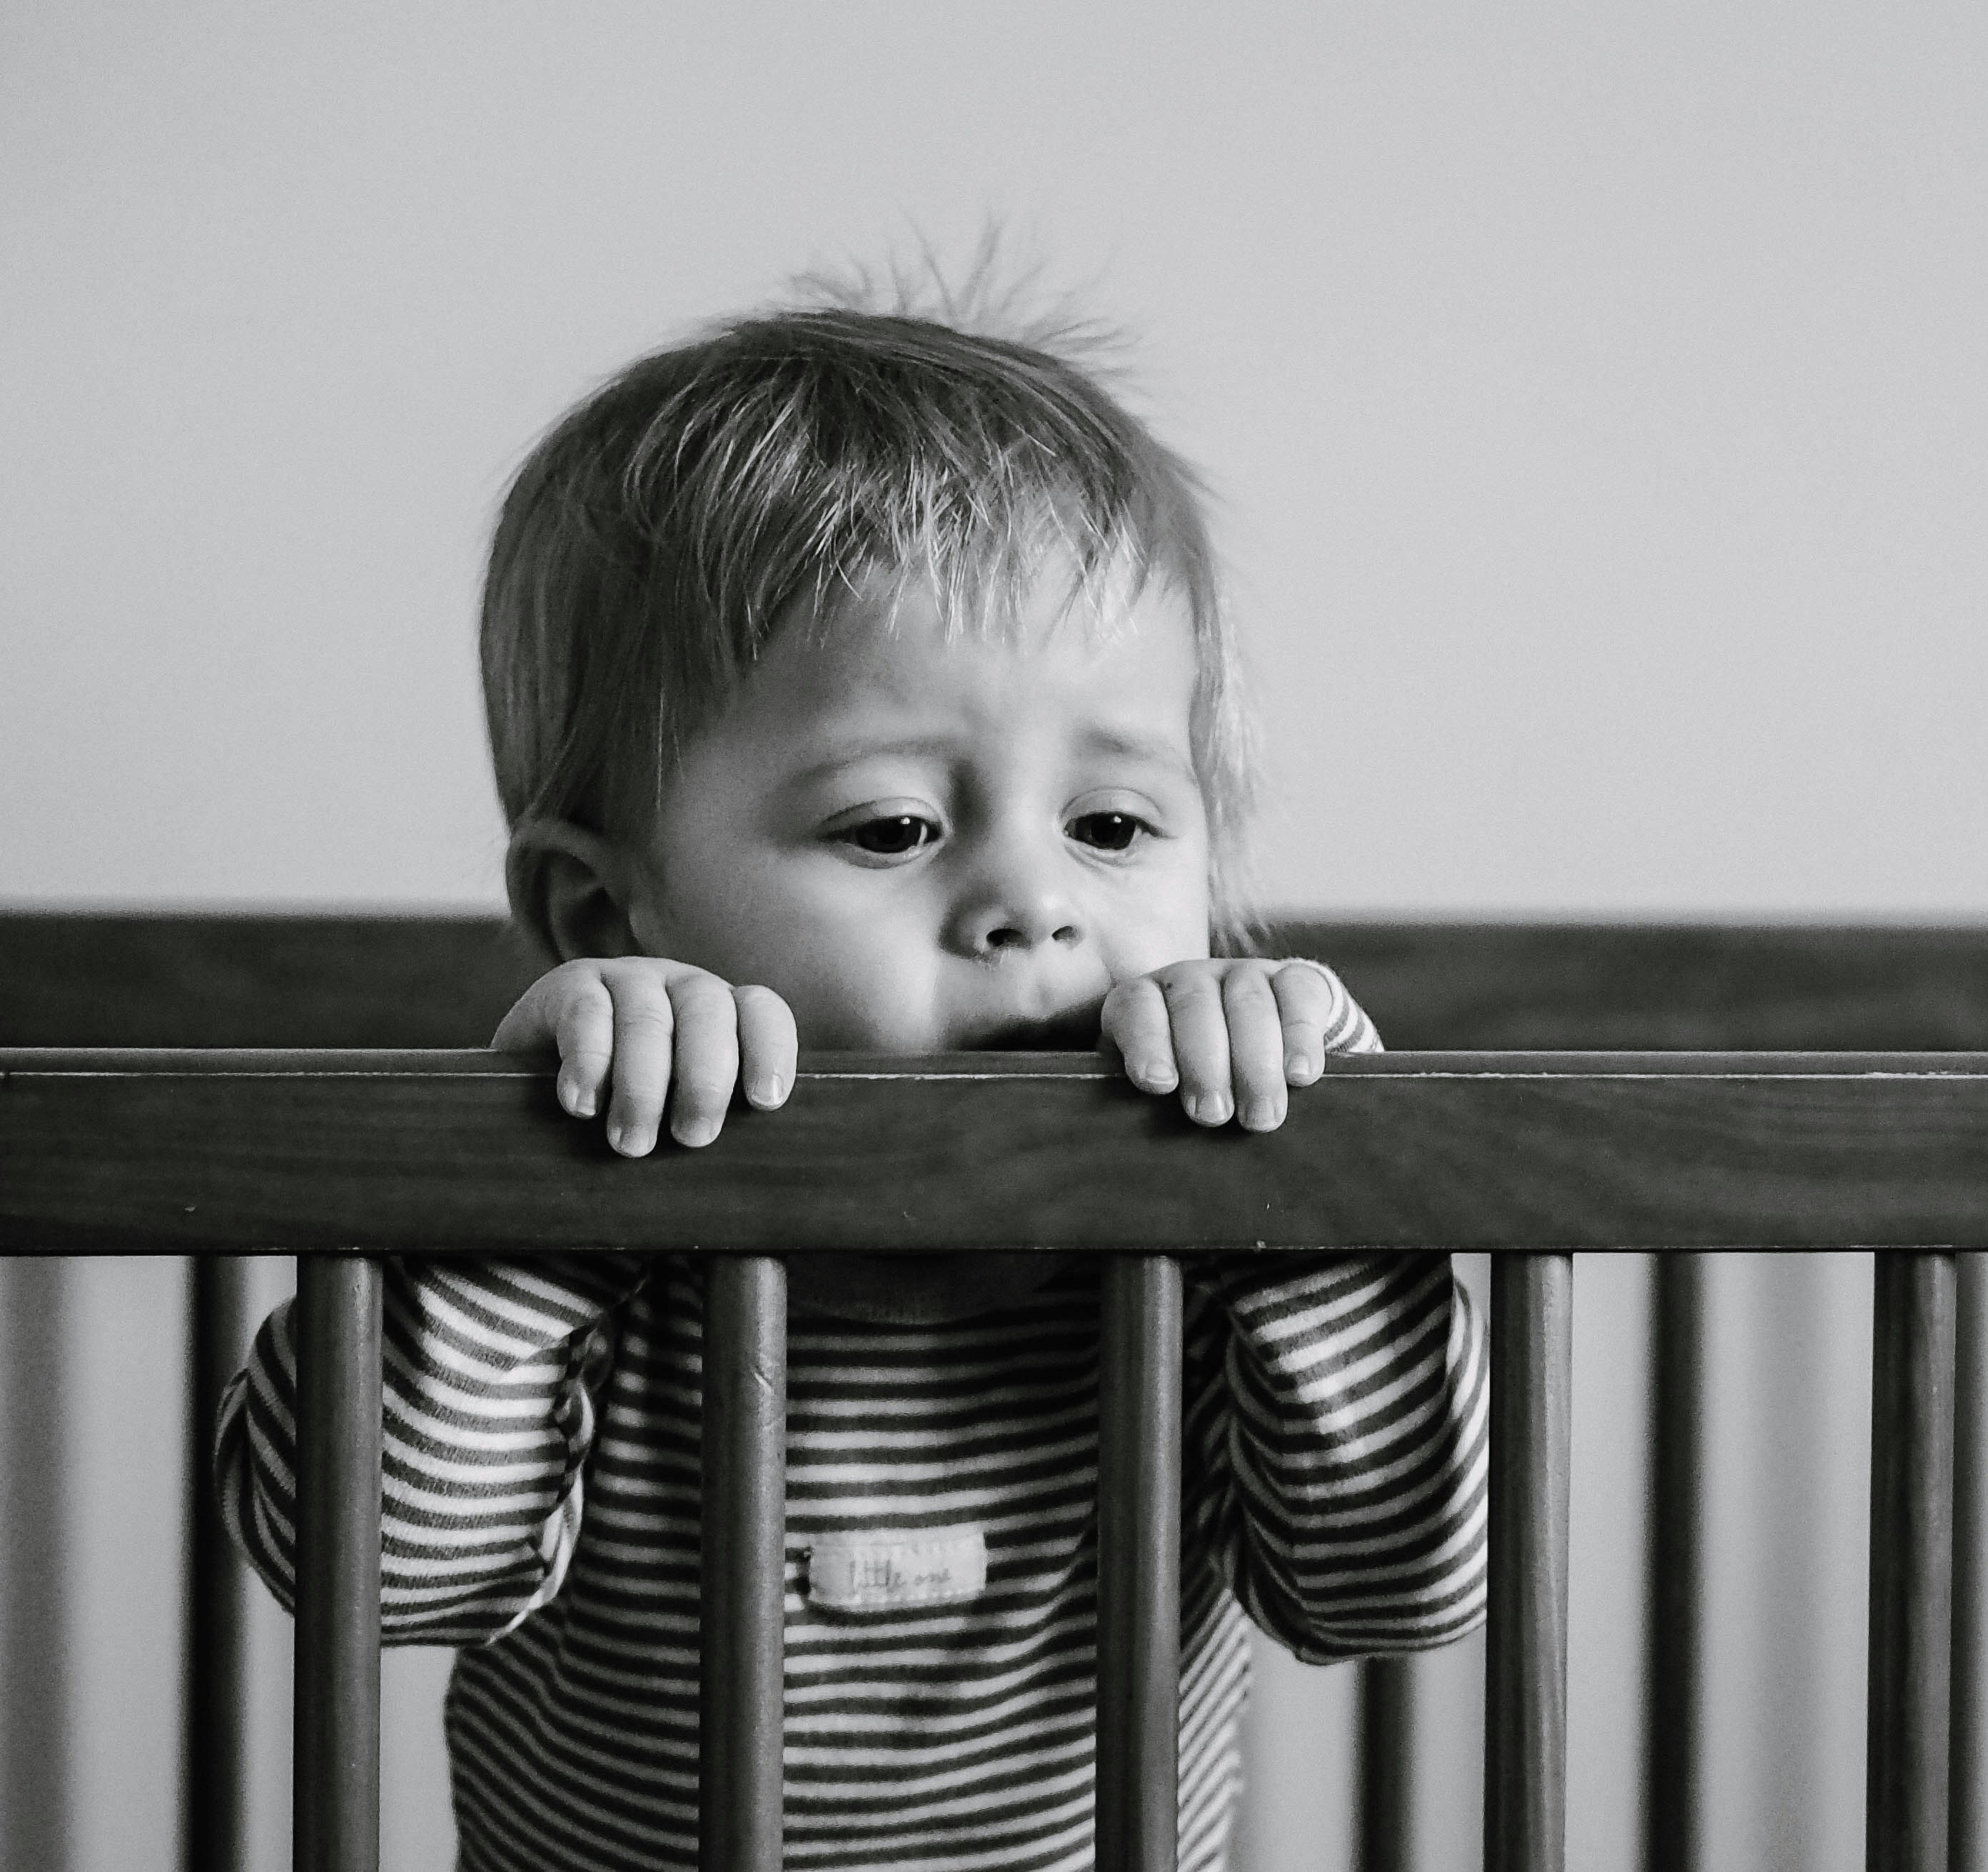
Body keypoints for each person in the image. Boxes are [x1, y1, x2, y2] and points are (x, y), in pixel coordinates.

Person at [213, 273, 1488, 1872]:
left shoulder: (1194, 1258)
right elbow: (367, 1578)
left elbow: (1393, 1591)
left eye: (1113, 827)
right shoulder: (599, 1264)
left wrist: (1309, 1170)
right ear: (611, 912)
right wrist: (529, 1176)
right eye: (892, 827)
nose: (1037, 902)